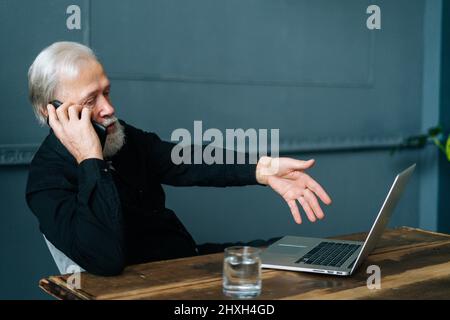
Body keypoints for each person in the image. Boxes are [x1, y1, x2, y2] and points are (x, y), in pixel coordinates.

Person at [25, 42, 332, 276]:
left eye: (107, 92)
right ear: (50, 112)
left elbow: (183, 159)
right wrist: (90, 158)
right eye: (91, 100)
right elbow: (106, 259)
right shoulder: (45, 181)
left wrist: (263, 170)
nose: (108, 109)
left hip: (188, 259)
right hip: (154, 285)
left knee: (301, 254)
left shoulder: (119, 135)